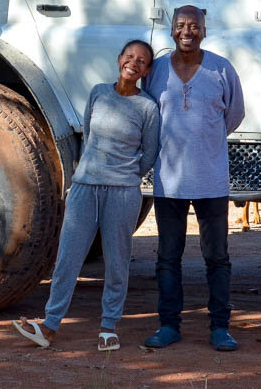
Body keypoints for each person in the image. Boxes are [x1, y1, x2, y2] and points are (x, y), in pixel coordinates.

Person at [13, 39, 160, 352]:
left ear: (147, 70)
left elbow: (150, 153)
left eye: (142, 61)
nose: (134, 63)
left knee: (117, 260)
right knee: (68, 256)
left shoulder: (148, 107)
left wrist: (129, 175)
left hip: (122, 192)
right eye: (130, 56)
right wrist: (89, 173)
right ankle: (50, 326)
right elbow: (89, 135)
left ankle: (109, 327)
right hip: (84, 187)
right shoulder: (98, 93)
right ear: (119, 59)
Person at [143, 5, 245, 352]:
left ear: (204, 29)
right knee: (168, 257)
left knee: (217, 257)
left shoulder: (221, 68)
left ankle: (220, 328)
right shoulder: (155, 70)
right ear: (171, 30)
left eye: (194, 26)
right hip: (168, 181)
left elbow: (234, 114)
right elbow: (148, 116)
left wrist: (205, 141)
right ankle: (169, 325)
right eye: (180, 25)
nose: (187, 31)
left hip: (211, 180)